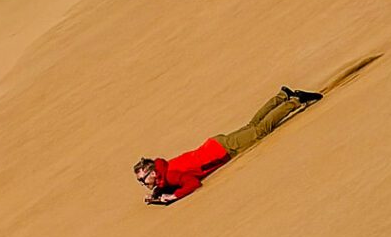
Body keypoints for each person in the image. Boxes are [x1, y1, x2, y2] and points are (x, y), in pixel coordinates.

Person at [134, 86, 323, 205]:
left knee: (260, 131)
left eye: (143, 179)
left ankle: (295, 101)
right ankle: (281, 96)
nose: (143, 183)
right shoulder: (163, 169)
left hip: (224, 151)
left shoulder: (170, 175)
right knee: (252, 126)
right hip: (216, 144)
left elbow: (192, 183)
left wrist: (174, 197)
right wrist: (159, 192)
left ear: (152, 173)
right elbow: (168, 182)